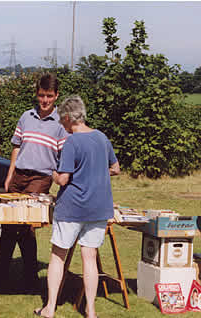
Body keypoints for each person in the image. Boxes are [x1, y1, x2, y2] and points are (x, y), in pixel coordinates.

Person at [34, 95, 120, 318]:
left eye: (61, 120)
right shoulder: (102, 137)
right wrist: (96, 172)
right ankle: (90, 310)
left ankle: (50, 308)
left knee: (57, 256)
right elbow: (116, 168)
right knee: (89, 258)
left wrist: (51, 172)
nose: (61, 125)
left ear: (67, 117)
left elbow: (63, 179)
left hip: (72, 208)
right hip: (99, 208)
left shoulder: (72, 141)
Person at [0, 73, 68, 292]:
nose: (44, 101)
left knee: (25, 226)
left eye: (49, 96)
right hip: (18, 176)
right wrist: (9, 174)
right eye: (41, 96)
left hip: (40, 178)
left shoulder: (60, 123)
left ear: (56, 96)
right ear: (36, 94)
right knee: (8, 226)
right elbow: (16, 147)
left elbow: (65, 157)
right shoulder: (26, 117)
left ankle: (29, 277)